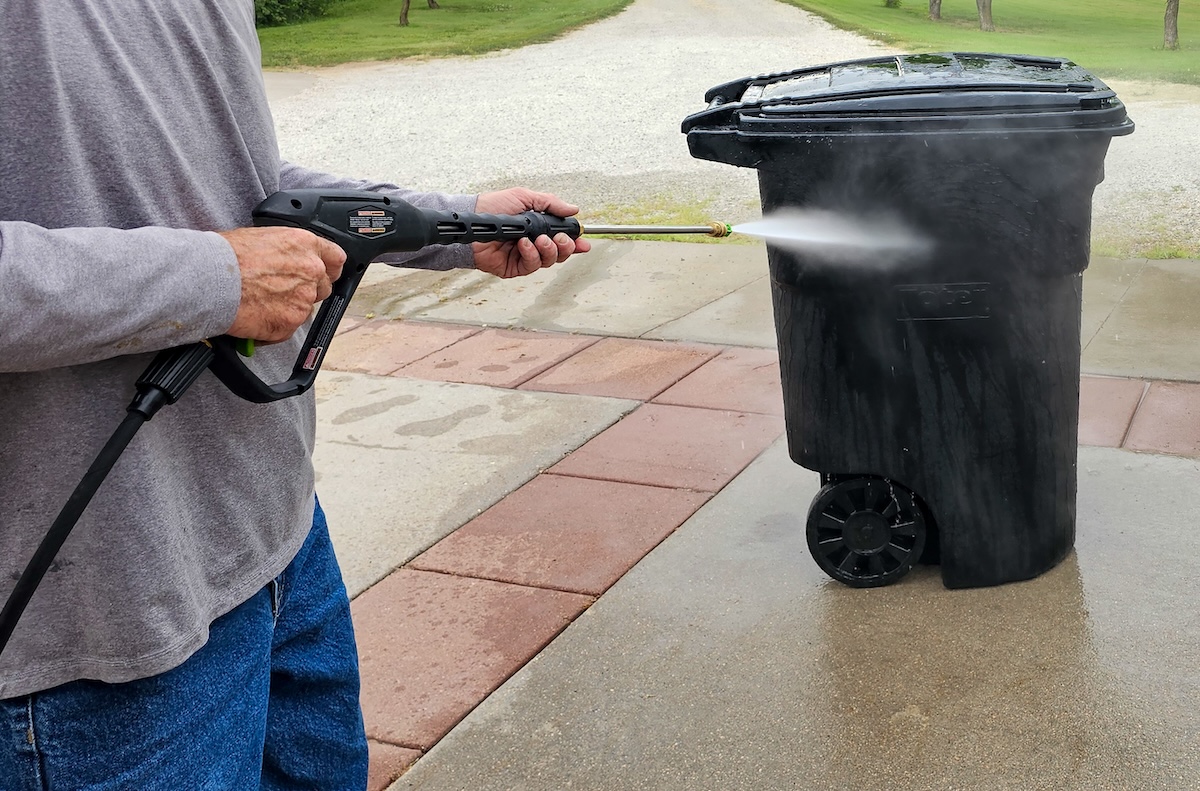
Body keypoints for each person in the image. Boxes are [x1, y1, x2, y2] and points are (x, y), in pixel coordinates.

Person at [0, 1, 589, 788]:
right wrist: (212, 279)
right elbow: (218, 253)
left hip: (280, 544)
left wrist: (454, 225)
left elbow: (233, 177)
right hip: (104, 622)